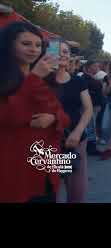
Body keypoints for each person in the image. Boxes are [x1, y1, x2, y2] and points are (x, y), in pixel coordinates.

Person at [0, 22, 70, 202]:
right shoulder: (19, 78)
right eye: (26, 44)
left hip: (45, 164)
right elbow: (9, 116)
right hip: (14, 167)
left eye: (38, 45)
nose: (33, 50)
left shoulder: (45, 77)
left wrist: (53, 118)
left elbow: (64, 117)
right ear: (9, 45)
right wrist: (34, 78)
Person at [45, 41, 93, 203]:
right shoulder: (40, 81)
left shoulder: (77, 81)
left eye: (66, 51)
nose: (63, 54)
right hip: (48, 142)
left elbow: (88, 109)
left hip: (75, 140)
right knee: (51, 189)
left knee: (76, 190)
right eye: (58, 51)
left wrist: (78, 132)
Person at [83, 60, 104, 155]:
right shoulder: (85, 78)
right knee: (90, 127)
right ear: (89, 68)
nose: (97, 68)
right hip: (89, 106)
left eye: (97, 66)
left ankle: (90, 146)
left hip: (94, 105)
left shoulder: (92, 77)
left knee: (91, 126)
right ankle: (90, 148)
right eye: (95, 66)